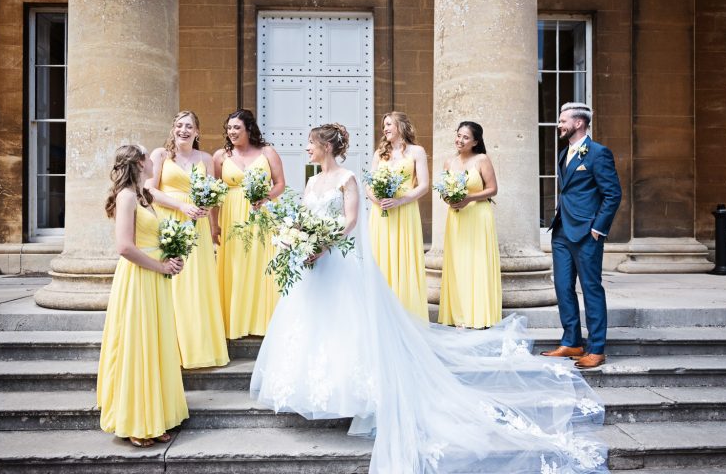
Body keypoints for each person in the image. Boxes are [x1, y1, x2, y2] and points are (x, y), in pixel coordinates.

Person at [251, 124, 608, 473]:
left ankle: (350, 396)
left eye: (311, 144)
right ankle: (311, 392)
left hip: (335, 261)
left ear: (326, 147)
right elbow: (302, 216)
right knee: (312, 324)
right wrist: (297, 238)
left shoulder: (348, 179)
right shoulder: (312, 181)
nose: (307, 150)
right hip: (313, 267)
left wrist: (323, 244)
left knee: (346, 325)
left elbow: (350, 222)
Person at [97, 145, 188, 448]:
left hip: (156, 278)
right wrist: (160, 265)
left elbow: (154, 237)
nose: (154, 161)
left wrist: (173, 257)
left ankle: (155, 415)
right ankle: (137, 420)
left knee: (155, 344)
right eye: (149, 157)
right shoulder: (125, 197)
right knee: (139, 344)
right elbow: (124, 247)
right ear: (139, 162)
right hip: (138, 278)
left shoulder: (144, 197)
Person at [146, 111, 229, 369]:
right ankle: (169, 349)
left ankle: (197, 346)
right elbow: (149, 189)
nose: (183, 130)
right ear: (173, 129)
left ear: (197, 131)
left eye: (189, 126)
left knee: (196, 282)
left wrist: (208, 211)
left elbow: (215, 195)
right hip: (169, 221)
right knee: (173, 281)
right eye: (179, 125)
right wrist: (181, 207)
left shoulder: (205, 158)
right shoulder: (161, 155)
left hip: (198, 227)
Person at [541, 102, 622, 369]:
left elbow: (613, 193)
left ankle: (596, 348)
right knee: (563, 288)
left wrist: (598, 228)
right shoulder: (564, 152)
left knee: (590, 289)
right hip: (562, 229)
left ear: (578, 123)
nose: (559, 124)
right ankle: (572, 341)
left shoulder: (598, 153)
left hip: (587, 233)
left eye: (563, 120)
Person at [212, 109, 285, 339]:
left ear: (249, 129)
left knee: (261, 265)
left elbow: (280, 183)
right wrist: (214, 225)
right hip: (232, 217)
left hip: (262, 217)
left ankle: (264, 323)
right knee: (236, 267)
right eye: (230, 128)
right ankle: (235, 323)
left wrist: (266, 197)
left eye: (237, 128)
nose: (232, 132)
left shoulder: (267, 152)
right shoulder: (220, 156)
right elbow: (214, 194)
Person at [438, 121, 502, 329]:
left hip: (477, 215)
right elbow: (444, 189)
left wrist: (469, 198)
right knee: (458, 263)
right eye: (458, 135)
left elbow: (493, 189)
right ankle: (459, 314)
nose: (460, 140)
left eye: (465, 137)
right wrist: (449, 198)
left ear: (475, 141)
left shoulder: (481, 159)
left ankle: (479, 315)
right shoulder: (449, 162)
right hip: (456, 217)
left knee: (476, 262)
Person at [367, 111, 429, 321]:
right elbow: (369, 183)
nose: (384, 129)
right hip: (381, 213)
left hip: (405, 210)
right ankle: (381, 315)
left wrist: (400, 201)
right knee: (381, 257)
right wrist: (376, 199)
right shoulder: (379, 154)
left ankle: (406, 314)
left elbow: (424, 186)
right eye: (384, 125)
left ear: (401, 126)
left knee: (403, 258)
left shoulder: (416, 152)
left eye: (389, 124)